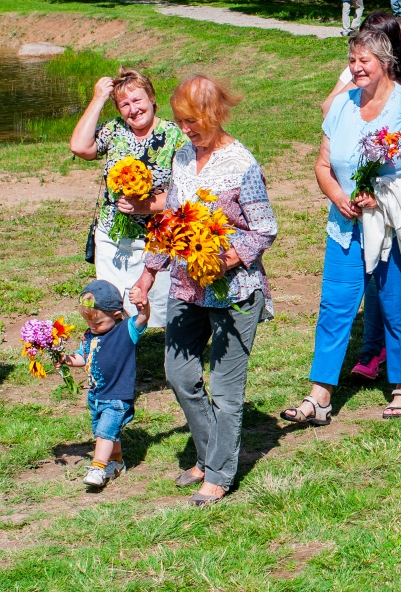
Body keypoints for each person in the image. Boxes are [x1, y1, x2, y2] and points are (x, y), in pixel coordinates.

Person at [281, 29, 401, 425]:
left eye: (363, 60)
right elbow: (322, 164)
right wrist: (338, 196)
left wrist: (383, 193)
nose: (355, 68)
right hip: (344, 227)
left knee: (395, 305)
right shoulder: (342, 106)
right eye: (351, 60)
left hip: (390, 227)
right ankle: (320, 396)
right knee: (334, 307)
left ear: (385, 62)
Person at [133, 75, 277, 506]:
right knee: (179, 375)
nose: (186, 130)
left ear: (215, 115)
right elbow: (169, 222)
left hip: (234, 291)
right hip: (185, 286)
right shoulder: (181, 157)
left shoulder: (242, 164)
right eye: (180, 121)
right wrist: (147, 274)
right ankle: (210, 451)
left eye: (192, 121)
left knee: (228, 392)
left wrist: (225, 259)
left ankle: (218, 473)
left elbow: (265, 228)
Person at [70, 68, 188, 329]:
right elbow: (80, 147)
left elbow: (187, 192)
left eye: (137, 100)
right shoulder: (114, 129)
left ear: (152, 99)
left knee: (158, 306)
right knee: (111, 302)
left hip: (157, 238)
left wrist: (144, 206)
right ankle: (118, 351)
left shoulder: (174, 136)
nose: (132, 109)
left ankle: (164, 355)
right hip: (112, 235)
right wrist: (98, 99)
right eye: (124, 104)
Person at [64, 280, 149, 489]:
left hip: (117, 396)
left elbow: (143, 318)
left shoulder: (126, 331)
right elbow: (83, 357)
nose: (93, 327)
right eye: (89, 322)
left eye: (98, 323)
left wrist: (142, 304)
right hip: (96, 396)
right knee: (109, 433)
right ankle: (116, 463)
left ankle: (98, 467)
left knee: (104, 433)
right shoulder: (89, 335)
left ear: (116, 315)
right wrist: (65, 359)